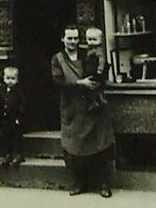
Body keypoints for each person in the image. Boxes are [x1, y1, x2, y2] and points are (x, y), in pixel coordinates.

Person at [52, 24, 115, 198]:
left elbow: (102, 69)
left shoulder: (88, 53)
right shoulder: (58, 59)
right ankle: (79, 182)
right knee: (74, 148)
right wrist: (79, 83)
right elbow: (57, 82)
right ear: (63, 39)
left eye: (75, 38)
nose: (73, 41)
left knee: (100, 146)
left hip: (93, 107)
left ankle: (103, 183)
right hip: (73, 109)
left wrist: (98, 81)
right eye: (69, 38)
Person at [0, 63, 24, 167]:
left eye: (13, 79)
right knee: (6, 136)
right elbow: (0, 102)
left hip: (14, 118)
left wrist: (19, 116)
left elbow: (22, 104)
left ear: (17, 80)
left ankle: (17, 154)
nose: (10, 81)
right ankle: (8, 154)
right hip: (5, 118)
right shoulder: (2, 90)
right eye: (8, 78)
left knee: (15, 137)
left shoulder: (18, 91)